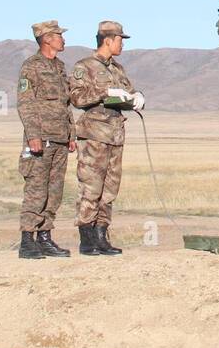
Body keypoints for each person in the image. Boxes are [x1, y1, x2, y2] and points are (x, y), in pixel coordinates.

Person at [68, 21, 143, 256]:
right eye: (120, 40)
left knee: (109, 189)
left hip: (115, 135)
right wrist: (104, 92)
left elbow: (127, 93)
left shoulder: (118, 69)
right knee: (91, 187)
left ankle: (102, 236)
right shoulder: (85, 66)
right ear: (107, 40)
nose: (122, 44)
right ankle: (86, 238)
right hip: (93, 136)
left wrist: (136, 97)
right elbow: (77, 98)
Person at [16, 20, 75, 259]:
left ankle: (45, 237)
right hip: (41, 139)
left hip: (60, 138)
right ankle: (27, 240)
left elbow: (65, 104)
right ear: (47, 39)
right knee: (36, 189)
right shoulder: (31, 67)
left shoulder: (59, 66)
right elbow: (25, 103)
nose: (63, 39)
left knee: (55, 191)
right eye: (59, 35)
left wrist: (71, 134)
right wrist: (33, 136)